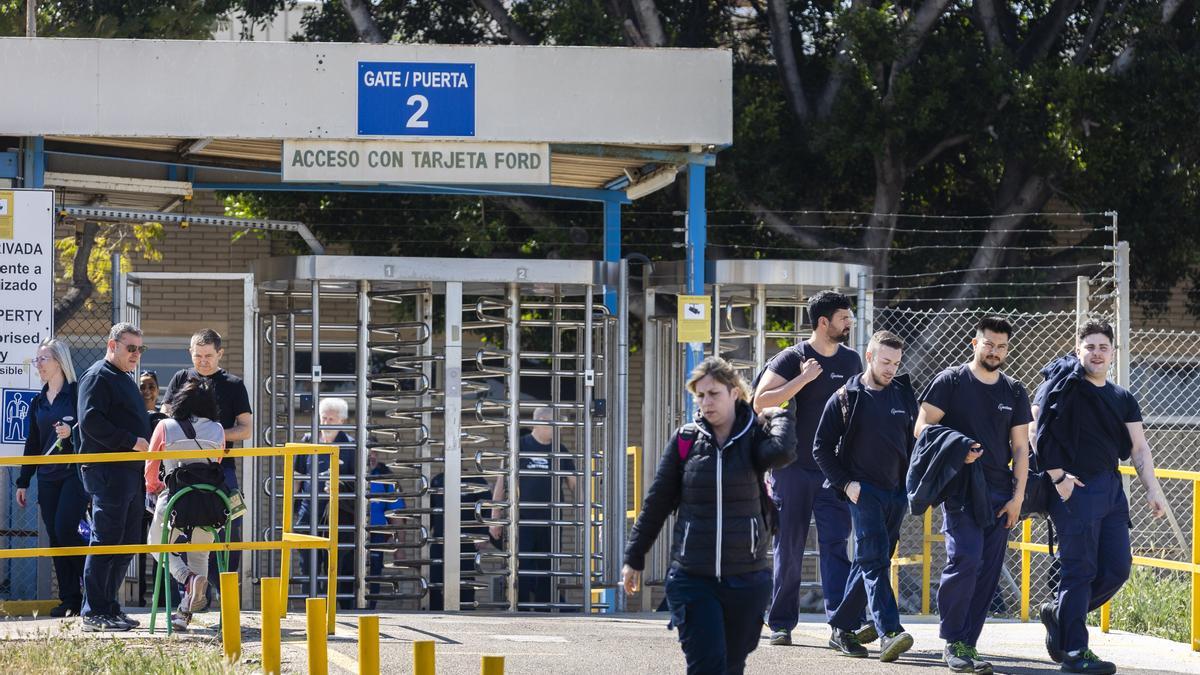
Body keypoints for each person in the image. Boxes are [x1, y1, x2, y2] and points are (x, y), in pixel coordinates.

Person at [622, 357, 795, 675]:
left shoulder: (754, 435)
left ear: (734, 393)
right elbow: (657, 501)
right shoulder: (686, 440)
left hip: (746, 578)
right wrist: (634, 557)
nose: (706, 402)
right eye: (700, 396)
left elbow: (782, 453)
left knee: (731, 665)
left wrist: (778, 416)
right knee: (707, 665)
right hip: (692, 577)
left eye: (713, 393)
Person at [1031, 320, 1168, 675]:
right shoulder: (1060, 386)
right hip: (1073, 488)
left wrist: (1153, 489)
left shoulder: (1122, 397)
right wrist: (1057, 476)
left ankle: (1060, 613)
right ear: (1078, 349)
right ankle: (1075, 652)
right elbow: (1035, 431)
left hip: (1110, 489)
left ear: (1112, 352)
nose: (1096, 353)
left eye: (1103, 347)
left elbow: (1139, 448)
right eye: (1089, 346)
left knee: (1117, 568)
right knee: (1080, 570)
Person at [912, 316, 1031, 674]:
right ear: (974, 343)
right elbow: (921, 428)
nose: (995, 351)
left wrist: (1018, 498)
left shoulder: (1014, 391)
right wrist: (956, 449)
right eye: (989, 344)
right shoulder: (950, 381)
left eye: (1001, 346)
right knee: (965, 559)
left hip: (1000, 492)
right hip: (962, 488)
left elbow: (1022, 449)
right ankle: (952, 639)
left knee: (988, 571)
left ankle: (967, 644)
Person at [752, 290, 863, 645]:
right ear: (824, 322)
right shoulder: (793, 357)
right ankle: (781, 622)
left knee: (835, 545)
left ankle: (841, 626)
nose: (850, 324)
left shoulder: (851, 361)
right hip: (793, 467)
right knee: (790, 546)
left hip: (833, 470)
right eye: (845, 318)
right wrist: (802, 380)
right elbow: (760, 402)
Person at [812, 330, 918, 663]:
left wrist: (911, 486)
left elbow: (914, 442)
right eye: (885, 361)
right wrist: (846, 484)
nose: (891, 369)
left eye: (896, 363)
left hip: (896, 493)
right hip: (863, 492)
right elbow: (821, 449)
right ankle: (889, 631)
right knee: (873, 560)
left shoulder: (903, 394)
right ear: (870, 357)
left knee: (871, 559)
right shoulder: (846, 397)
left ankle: (841, 627)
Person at [161, 329, 252, 596]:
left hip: (220, 468)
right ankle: (188, 594)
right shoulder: (181, 378)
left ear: (220, 354)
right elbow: (165, 417)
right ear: (191, 353)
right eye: (198, 355)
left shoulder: (233, 384)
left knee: (231, 525)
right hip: (182, 468)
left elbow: (246, 429)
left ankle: (226, 593)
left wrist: (214, 437)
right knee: (178, 524)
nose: (203, 361)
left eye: (208, 356)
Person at [78, 323, 151, 632]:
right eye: (130, 348)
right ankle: (93, 612)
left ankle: (110, 606)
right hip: (108, 470)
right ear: (112, 345)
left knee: (128, 541)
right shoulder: (98, 376)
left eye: (139, 349)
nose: (135, 354)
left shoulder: (123, 378)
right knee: (106, 539)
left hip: (130, 472)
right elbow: (91, 421)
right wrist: (130, 441)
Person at [144, 379, 225, 632]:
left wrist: (154, 487)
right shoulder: (218, 429)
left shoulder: (165, 426)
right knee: (200, 553)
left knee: (155, 544)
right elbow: (217, 461)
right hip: (209, 502)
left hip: (174, 501)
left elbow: (151, 468)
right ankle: (184, 612)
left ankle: (187, 579)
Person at [14, 339, 86, 617]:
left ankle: (91, 589)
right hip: (46, 477)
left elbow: (90, 427)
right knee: (56, 537)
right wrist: (23, 481)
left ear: (59, 361)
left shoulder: (77, 393)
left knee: (66, 528)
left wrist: (72, 432)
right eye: (37, 360)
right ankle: (70, 599)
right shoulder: (38, 401)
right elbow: (33, 442)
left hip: (73, 474)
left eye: (43, 359)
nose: (38, 365)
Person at [488, 406, 578, 608]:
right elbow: (501, 484)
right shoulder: (519, 447)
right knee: (523, 568)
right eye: (554, 426)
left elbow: (574, 483)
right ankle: (520, 609)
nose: (558, 430)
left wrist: (586, 506)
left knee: (549, 568)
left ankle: (545, 611)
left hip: (552, 522)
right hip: (523, 521)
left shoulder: (560, 450)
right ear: (541, 423)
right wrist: (495, 518)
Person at [293, 396, 355, 608]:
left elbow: (359, 485)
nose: (326, 423)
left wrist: (340, 487)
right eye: (323, 418)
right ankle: (311, 610)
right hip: (307, 514)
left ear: (343, 421)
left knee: (339, 566)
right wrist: (295, 507)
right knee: (307, 566)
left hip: (340, 517)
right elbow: (296, 477)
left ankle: (345, 612)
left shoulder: (351, 447)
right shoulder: (308, 441)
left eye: (331, 419)